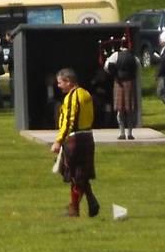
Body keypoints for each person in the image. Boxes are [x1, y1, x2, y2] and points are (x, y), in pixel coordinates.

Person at [50, 68, 99, 218]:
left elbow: (68, 121)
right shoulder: (86, 93)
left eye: (60, 82)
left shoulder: (72, 97)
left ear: (68, 81)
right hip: (88, 136)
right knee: (81, 174)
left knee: (75, 174)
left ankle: (76, 207)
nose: (58, 86)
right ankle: (88, 202)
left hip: (75, 139)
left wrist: (58, 141)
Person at [106, 44, 139, 139]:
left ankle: (122, 133)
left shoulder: (115, 55)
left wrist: (114, 74)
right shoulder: (134, 57)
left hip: (119, 83)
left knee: (120, 110)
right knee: (130, 110)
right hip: (130, 83)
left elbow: (107, 67)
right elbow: (138, 68)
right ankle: (130, 134)